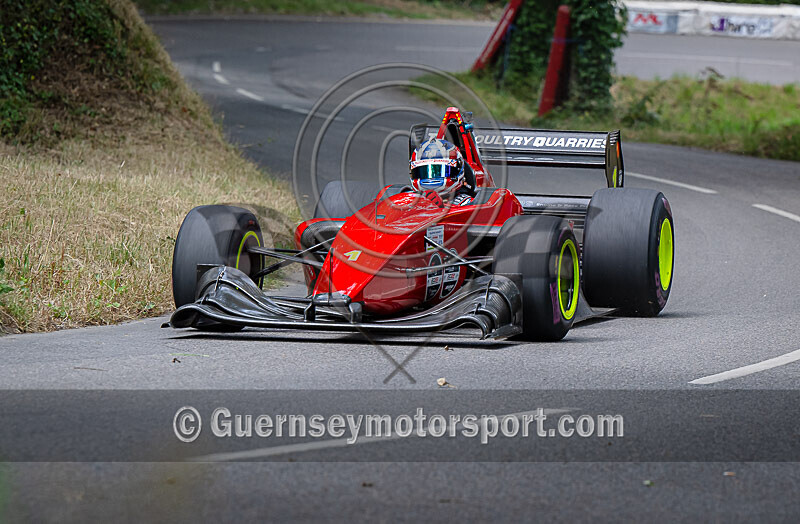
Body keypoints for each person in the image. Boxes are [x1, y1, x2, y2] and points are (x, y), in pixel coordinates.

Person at [409, 138, 475, 206]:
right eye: (424, 172)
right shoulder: (408, 199)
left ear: (457, 170)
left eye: (440, 172)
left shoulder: (467, 204)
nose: (431, 180)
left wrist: (440, 207)